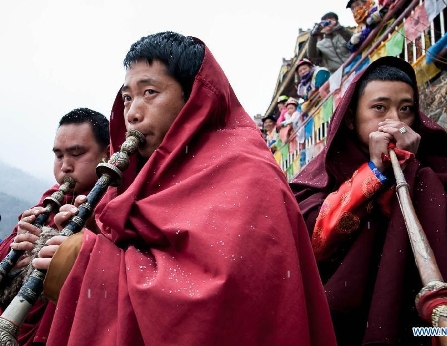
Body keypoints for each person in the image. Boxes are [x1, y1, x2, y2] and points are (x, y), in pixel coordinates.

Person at [32, 31, 337, 345]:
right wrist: (87, 234)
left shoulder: (248, 173)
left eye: (149, 92)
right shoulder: (142, 178)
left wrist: (86, 264)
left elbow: (218, 300)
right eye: (127, 98)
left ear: (193, 98)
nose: (132, 112)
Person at [290, 56, 447, 345]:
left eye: (406, 109)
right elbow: (309, 241)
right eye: (379, 107)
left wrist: (412, 170)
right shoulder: (320, 175)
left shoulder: (436, 171)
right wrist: (373, 173)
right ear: (351, 118)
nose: (395, 122)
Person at [0, 108, 109, 345]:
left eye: (77, 154)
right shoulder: (49, 200)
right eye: (58, 156)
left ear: (107, 154)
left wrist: (84, 239)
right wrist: (16, 252)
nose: (65, 166)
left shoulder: (113, 204)